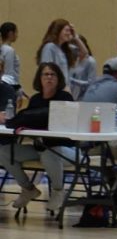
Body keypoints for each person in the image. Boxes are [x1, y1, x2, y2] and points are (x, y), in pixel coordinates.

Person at [0, 62, 79, 215]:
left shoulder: (65, 97)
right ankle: (28, 188)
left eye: (52, 74)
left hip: (66, 151)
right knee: (4, 152)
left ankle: (58, 191)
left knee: (49, 152)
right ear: (40, 78)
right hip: (40, 148)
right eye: (45, 74)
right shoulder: (35, 99)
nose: (49, 77)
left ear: (58, 78)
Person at [1, 22, 21, 91]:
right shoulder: (9, 50)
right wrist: (17, 88)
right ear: (10, 33)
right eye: (16, 32)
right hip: (9, 87)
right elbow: (8, 73)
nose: (17, 35)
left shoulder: (3, 49)